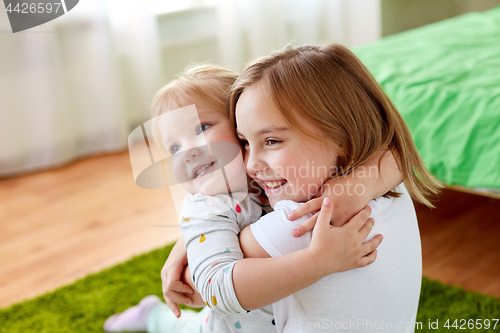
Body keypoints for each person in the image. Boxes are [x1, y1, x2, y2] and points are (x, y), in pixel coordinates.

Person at [104, 63, 402, 333]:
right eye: (174, 148)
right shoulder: (206, 207)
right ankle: (154, 315)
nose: (189, 151)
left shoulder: (268, 177)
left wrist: (354, 185)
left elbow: (398, 158)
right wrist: (319, 261)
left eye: (203, 128)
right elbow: (215, 288)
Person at [224, 43, 442, 332]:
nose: (251, 164)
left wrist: (195, 232)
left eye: (272, 141)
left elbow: (208, 284)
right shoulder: (389, 186)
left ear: (340, 135)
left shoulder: (307, 221)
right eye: (245, 143)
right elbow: (397, 150)